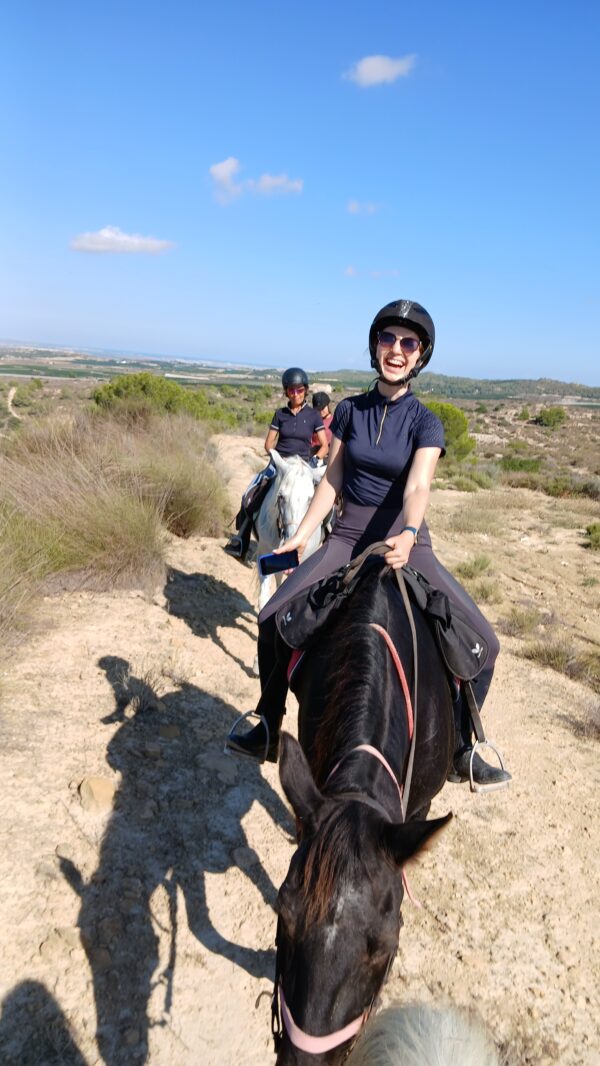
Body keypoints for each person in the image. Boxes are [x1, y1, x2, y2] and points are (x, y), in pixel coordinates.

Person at [226, 300, 510, 789]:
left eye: (408, 343)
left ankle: (462, 748)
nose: (396, 350)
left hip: (408, 541)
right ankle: (268, 723)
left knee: (486, 643)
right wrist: (300, 538)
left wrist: (409, 532)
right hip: (348, 537)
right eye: (388, 339)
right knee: (272, 617)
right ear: (375, 345)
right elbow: (333, 480)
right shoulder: (350, 411)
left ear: (420, 355)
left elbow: (418, 486)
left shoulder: (426, 422)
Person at [224, 368, 329, 559]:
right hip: (281, 464)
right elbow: (269, 443)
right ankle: (241, 539)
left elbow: (324, 445)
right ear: (286, 391)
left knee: (327, 500)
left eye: (299, 390)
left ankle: (329, 536)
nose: (295, 394)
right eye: (291, 390)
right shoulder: (280, 414)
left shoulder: (313, 415)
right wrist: (275, 458)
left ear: (306, 390)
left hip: (304, 467)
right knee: (250, 494)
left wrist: (315, 460)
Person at [310, 391, 334, 456]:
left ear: (328, 405)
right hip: (313, 454)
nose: (321, 411)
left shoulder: (335, 421)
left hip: (328, 455)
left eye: (323, 408)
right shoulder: (312, 420)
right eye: (318, 409)